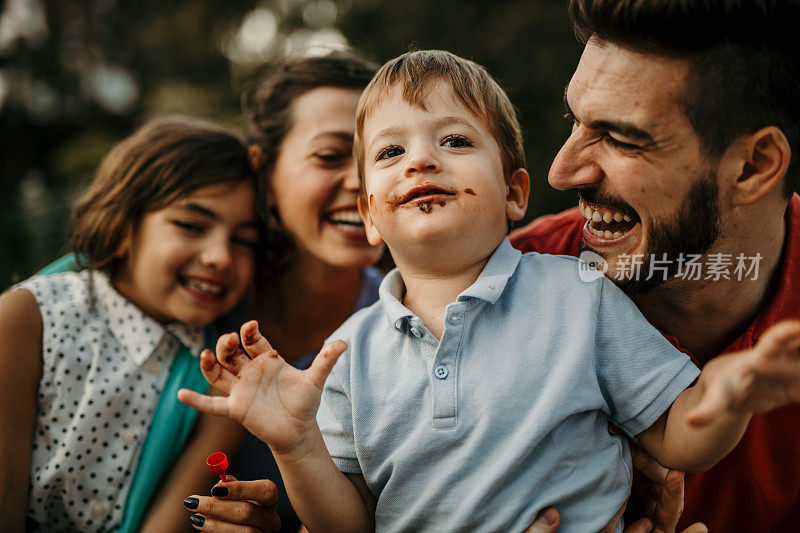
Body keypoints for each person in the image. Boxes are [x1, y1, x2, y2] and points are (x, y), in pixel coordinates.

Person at [178, 50, 800, 532]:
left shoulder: (579, 294)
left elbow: (677, 437)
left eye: (454, 141)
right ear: (371, 213)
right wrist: (296, 443)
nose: (420, 161)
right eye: (392, 151)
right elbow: (347, 522)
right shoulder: (347, 354)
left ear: (514, 192)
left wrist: (729, 392)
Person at [512, 1, 800, 531]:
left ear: (754, 167)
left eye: (620, 138)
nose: (561, 171)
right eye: (574, 121)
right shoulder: (496, 284)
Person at [0, 116, 260, 532]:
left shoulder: (220, 375)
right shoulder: (28, 320)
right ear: (122, 226)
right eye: (191, 225)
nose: (220, 257)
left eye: (244, 240)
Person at [180, 53, 386, 532]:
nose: (362, 182)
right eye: (330, 156)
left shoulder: (415, 330)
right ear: (264, 171)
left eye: (383, 154)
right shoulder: (195, 299)